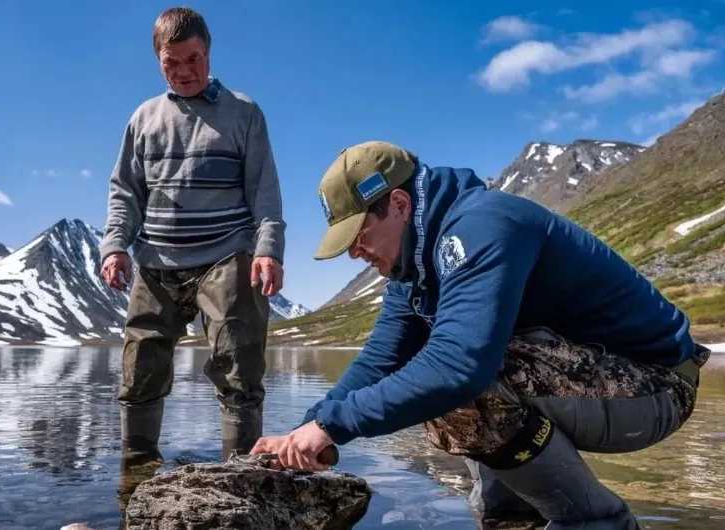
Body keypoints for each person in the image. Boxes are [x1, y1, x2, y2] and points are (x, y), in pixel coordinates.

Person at [251, 140, 709, 529]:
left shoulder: (482, 224)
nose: (355, 253)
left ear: (399, 204)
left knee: (457, 388)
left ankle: (596, 522)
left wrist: (334, 425)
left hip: (656, 386)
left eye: (358, 234)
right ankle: (515, 522)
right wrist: (306, 428)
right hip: (594, 383)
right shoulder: (412, 268)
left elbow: (459, 368)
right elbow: (380, 360)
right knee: (443, 381)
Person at [98, 7, 286, 463]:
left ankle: (241, 477)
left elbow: (264, 190)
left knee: (238, 362)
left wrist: (268, 250)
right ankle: (135, 483)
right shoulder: (144, 118)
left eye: (193, 59)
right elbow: (125, 190)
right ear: (158, 61)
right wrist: (115, 245)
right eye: (171, 63)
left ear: (208, 52)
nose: (183, 71)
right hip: (156, 260)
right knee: (139, 367)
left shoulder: (243, 113)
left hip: (226, 255)